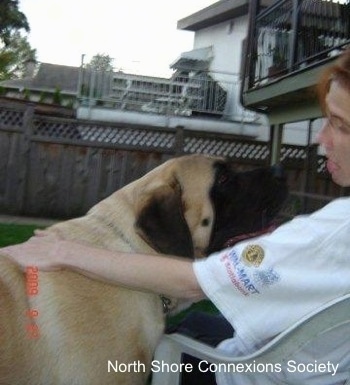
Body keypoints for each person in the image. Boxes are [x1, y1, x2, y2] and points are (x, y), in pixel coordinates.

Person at [3, 49, 350, 384]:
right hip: (292, 357)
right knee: (195, 323)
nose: (321, 138)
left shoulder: (336, 229)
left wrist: (63, 252)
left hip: (243, 371)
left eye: (340, 125)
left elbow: (194, 281)